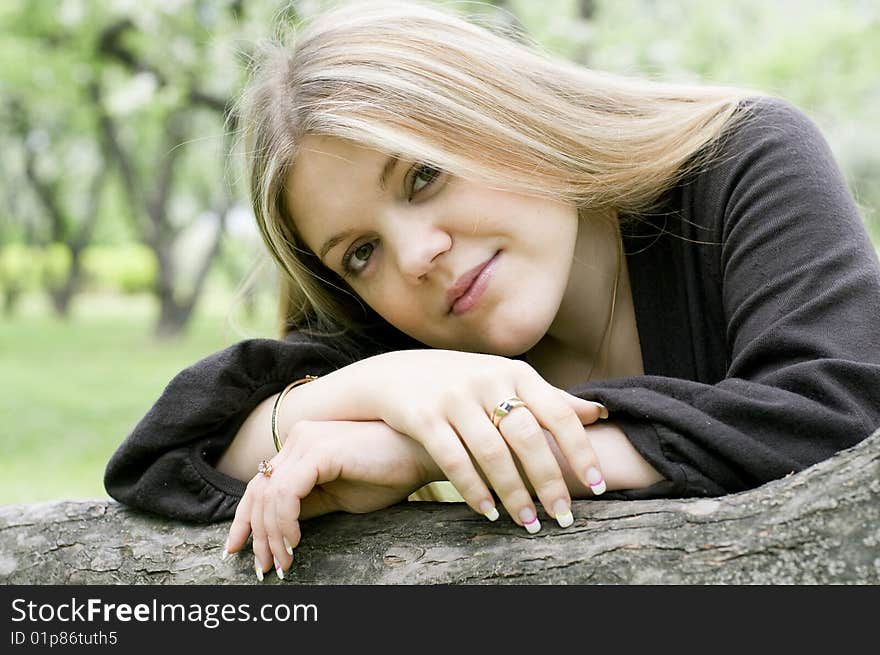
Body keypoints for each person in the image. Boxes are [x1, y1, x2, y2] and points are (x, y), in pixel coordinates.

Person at [104, 0, 880, 583]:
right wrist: (388, 382)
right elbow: (166, 456)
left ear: (502, 112)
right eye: (361, 252)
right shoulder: (410, 339)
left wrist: (418, 453)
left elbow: (835, 415)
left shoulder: (742, 160)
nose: (417, 256)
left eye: (423, 174)